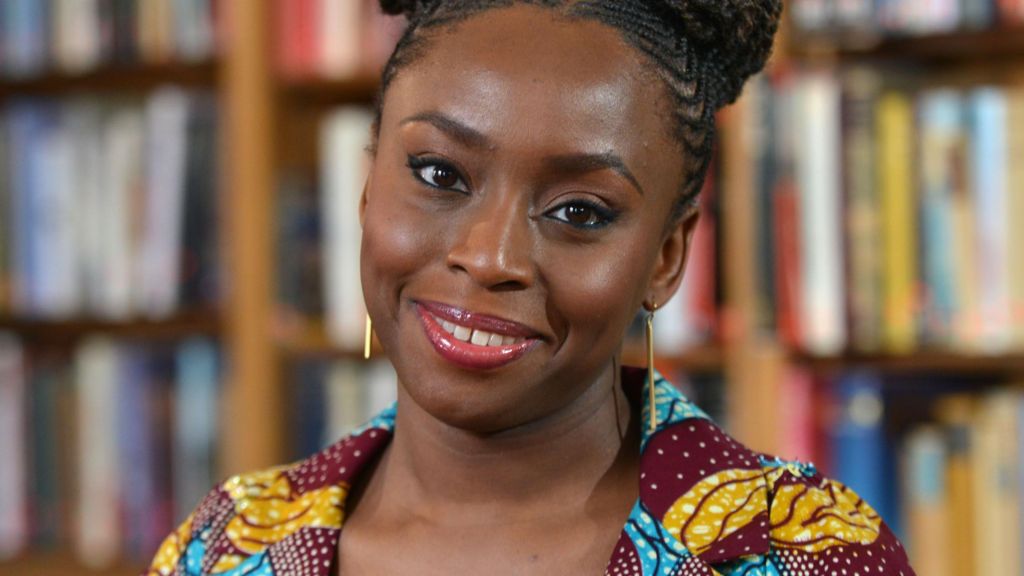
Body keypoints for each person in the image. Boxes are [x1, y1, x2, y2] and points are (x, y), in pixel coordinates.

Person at [145, 1, 917, 575]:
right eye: (439, 174)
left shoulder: (804, 555)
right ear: (368, 188)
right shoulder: (225, 545)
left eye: (580, 211)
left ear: (665, 258)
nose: (490, 258)